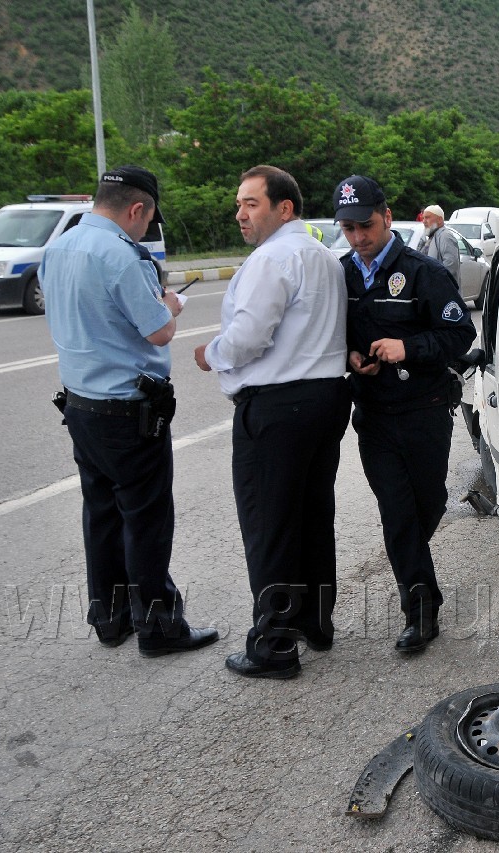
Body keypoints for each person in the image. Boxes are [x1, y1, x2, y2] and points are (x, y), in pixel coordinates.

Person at [41, 166, 219, 657]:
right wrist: (170, 304)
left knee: (100, 513)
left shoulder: (59, 247)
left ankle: (110, 618)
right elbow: (158, 331)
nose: (145, 230)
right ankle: (160, 629)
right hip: (126, 410)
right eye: (148, 221)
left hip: (80, 405)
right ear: (137, 209)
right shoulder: (121, 255)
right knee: (145, 518)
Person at [195, 165, 350, 679]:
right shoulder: (325, 257)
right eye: (239, 204)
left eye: (251, 204)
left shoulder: (273, 258)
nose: (241, 214)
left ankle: (273, 644)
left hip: (280, 408)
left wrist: (211, 354)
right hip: (325, 401)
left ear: (284, 208)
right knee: (309, 515)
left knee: (270, 524)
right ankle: (313, 621)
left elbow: (248, 337)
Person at [334, 176, 476, 654]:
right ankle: (420, 610)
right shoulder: (342, 275)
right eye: (348, 228)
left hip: (425, 412)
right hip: (373, 414)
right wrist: (354, 356)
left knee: (428, 505)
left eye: (365, 225)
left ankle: (414, 571)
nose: (357, 237)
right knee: (397, 513)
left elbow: (460, 337)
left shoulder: (423, 273)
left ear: (387, 216)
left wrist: (407, 347)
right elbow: (333, 335)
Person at [417, 204, 461, 281]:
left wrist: (433, 281)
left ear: (440, 220)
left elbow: (450, 265)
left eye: (427, 218)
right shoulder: (431, 235)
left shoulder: (445, 236)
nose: (424, 221)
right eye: (423, 218)